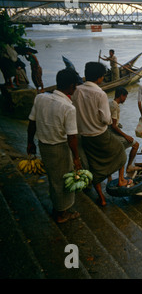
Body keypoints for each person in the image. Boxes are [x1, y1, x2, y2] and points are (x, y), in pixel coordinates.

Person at [27, 68, 82, 223]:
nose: (76, 88)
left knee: (54, 178)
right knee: (63, 180)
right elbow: (72, 137)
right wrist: (76, 158)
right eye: (75, 86)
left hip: (44, 145)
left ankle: (58, 207)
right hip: (59, 147)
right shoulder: (68, 108)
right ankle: (62, 213)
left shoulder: (40, 98)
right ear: (71, 86)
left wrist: (30, 142)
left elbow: (32, 123)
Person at [72, 62, 129, 207]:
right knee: (121, 152)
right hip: (100, 135)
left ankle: (102, 199)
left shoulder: (77, 91)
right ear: (99, 78)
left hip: (84, 136)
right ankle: (121, 180)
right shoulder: (100, 94)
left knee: (94, 165)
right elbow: (106, 119)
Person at [109, 86, 141, 174]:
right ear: (121, 96)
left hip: (108, 132)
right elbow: (113, 126)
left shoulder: (110, 103)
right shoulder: (115, 107)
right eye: (125, 97)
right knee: (135, 144)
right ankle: (129, 166)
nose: (125, 99)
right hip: (112, 133)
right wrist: (126, 136)